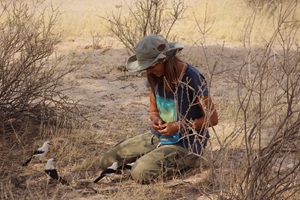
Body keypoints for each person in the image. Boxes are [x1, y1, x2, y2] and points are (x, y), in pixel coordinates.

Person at [99, 35, 218, 184]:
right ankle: (154, 156)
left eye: (151, 66)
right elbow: (153, 111)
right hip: (160, 137)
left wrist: (179, 126)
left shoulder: (192, 77)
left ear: (164, 60)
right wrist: (155, 119)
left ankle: (189, 161)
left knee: (140, 172)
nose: (148, 72)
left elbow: (212, 119)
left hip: (186, 144)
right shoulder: (155, 77)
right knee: (106, 161)